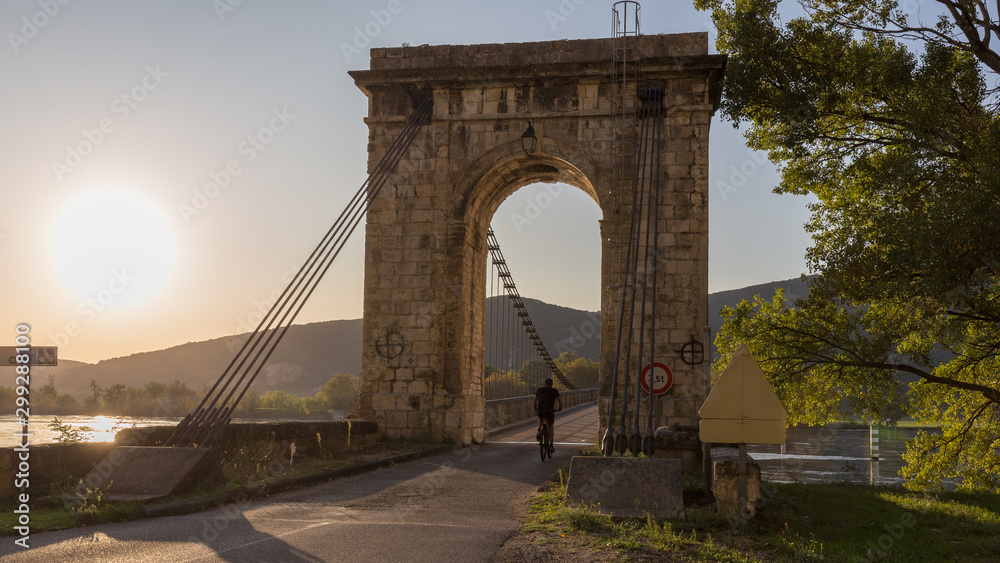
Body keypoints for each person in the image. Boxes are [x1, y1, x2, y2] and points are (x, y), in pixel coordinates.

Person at [533, 378, 562, 450]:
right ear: (552, 384)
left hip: (541, 410)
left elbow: (534, 400)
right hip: (549, 411)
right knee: (551, 426)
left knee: (540, 419)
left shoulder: (539, 390)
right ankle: (551, 445)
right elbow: (560, 402)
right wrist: (559, 408)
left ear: (545, 383)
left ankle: (539, 430)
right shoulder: (554, 391)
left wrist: (535, 408)